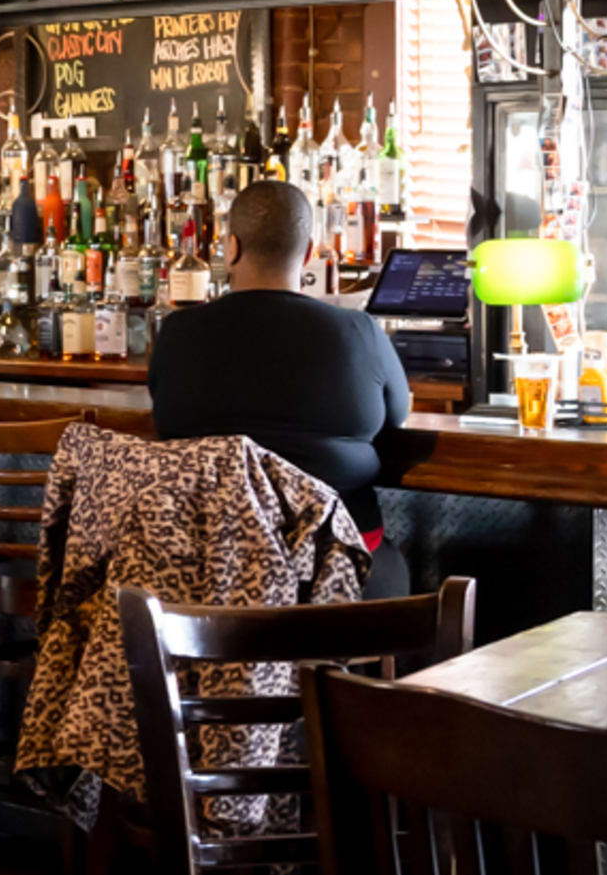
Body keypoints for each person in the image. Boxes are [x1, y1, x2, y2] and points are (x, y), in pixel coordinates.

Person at [148, 179, 416, 589]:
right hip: (341, 565)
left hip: (211, 575)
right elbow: (396, 417)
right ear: (308, 253)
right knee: (392, 568)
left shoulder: (176, 333)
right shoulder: (358, 331)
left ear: (230, 247)